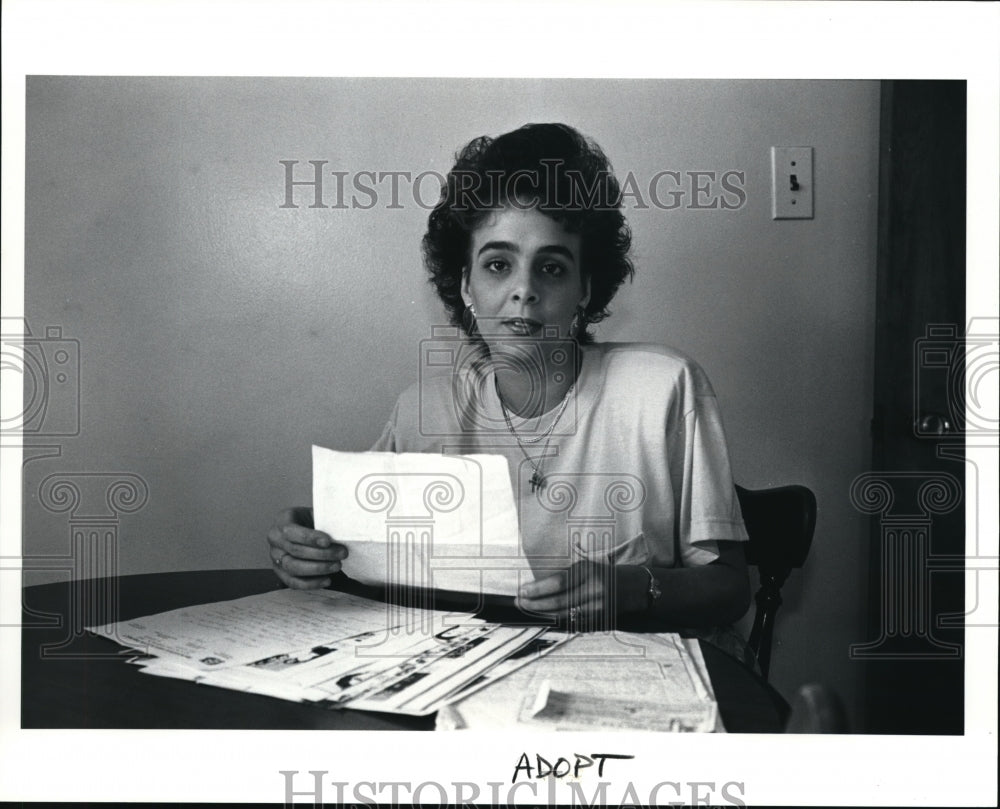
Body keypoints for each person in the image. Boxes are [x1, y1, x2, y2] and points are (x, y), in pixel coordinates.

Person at [267, 123, 750, 639]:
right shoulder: (422, 412)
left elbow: (730, 591)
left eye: (553, 268)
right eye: (498, 264)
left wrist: (632, 589)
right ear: (465, 286)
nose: (524, 290)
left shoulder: (663, 389)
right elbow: (368, 561)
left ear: (586, 288)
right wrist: (311, 542)